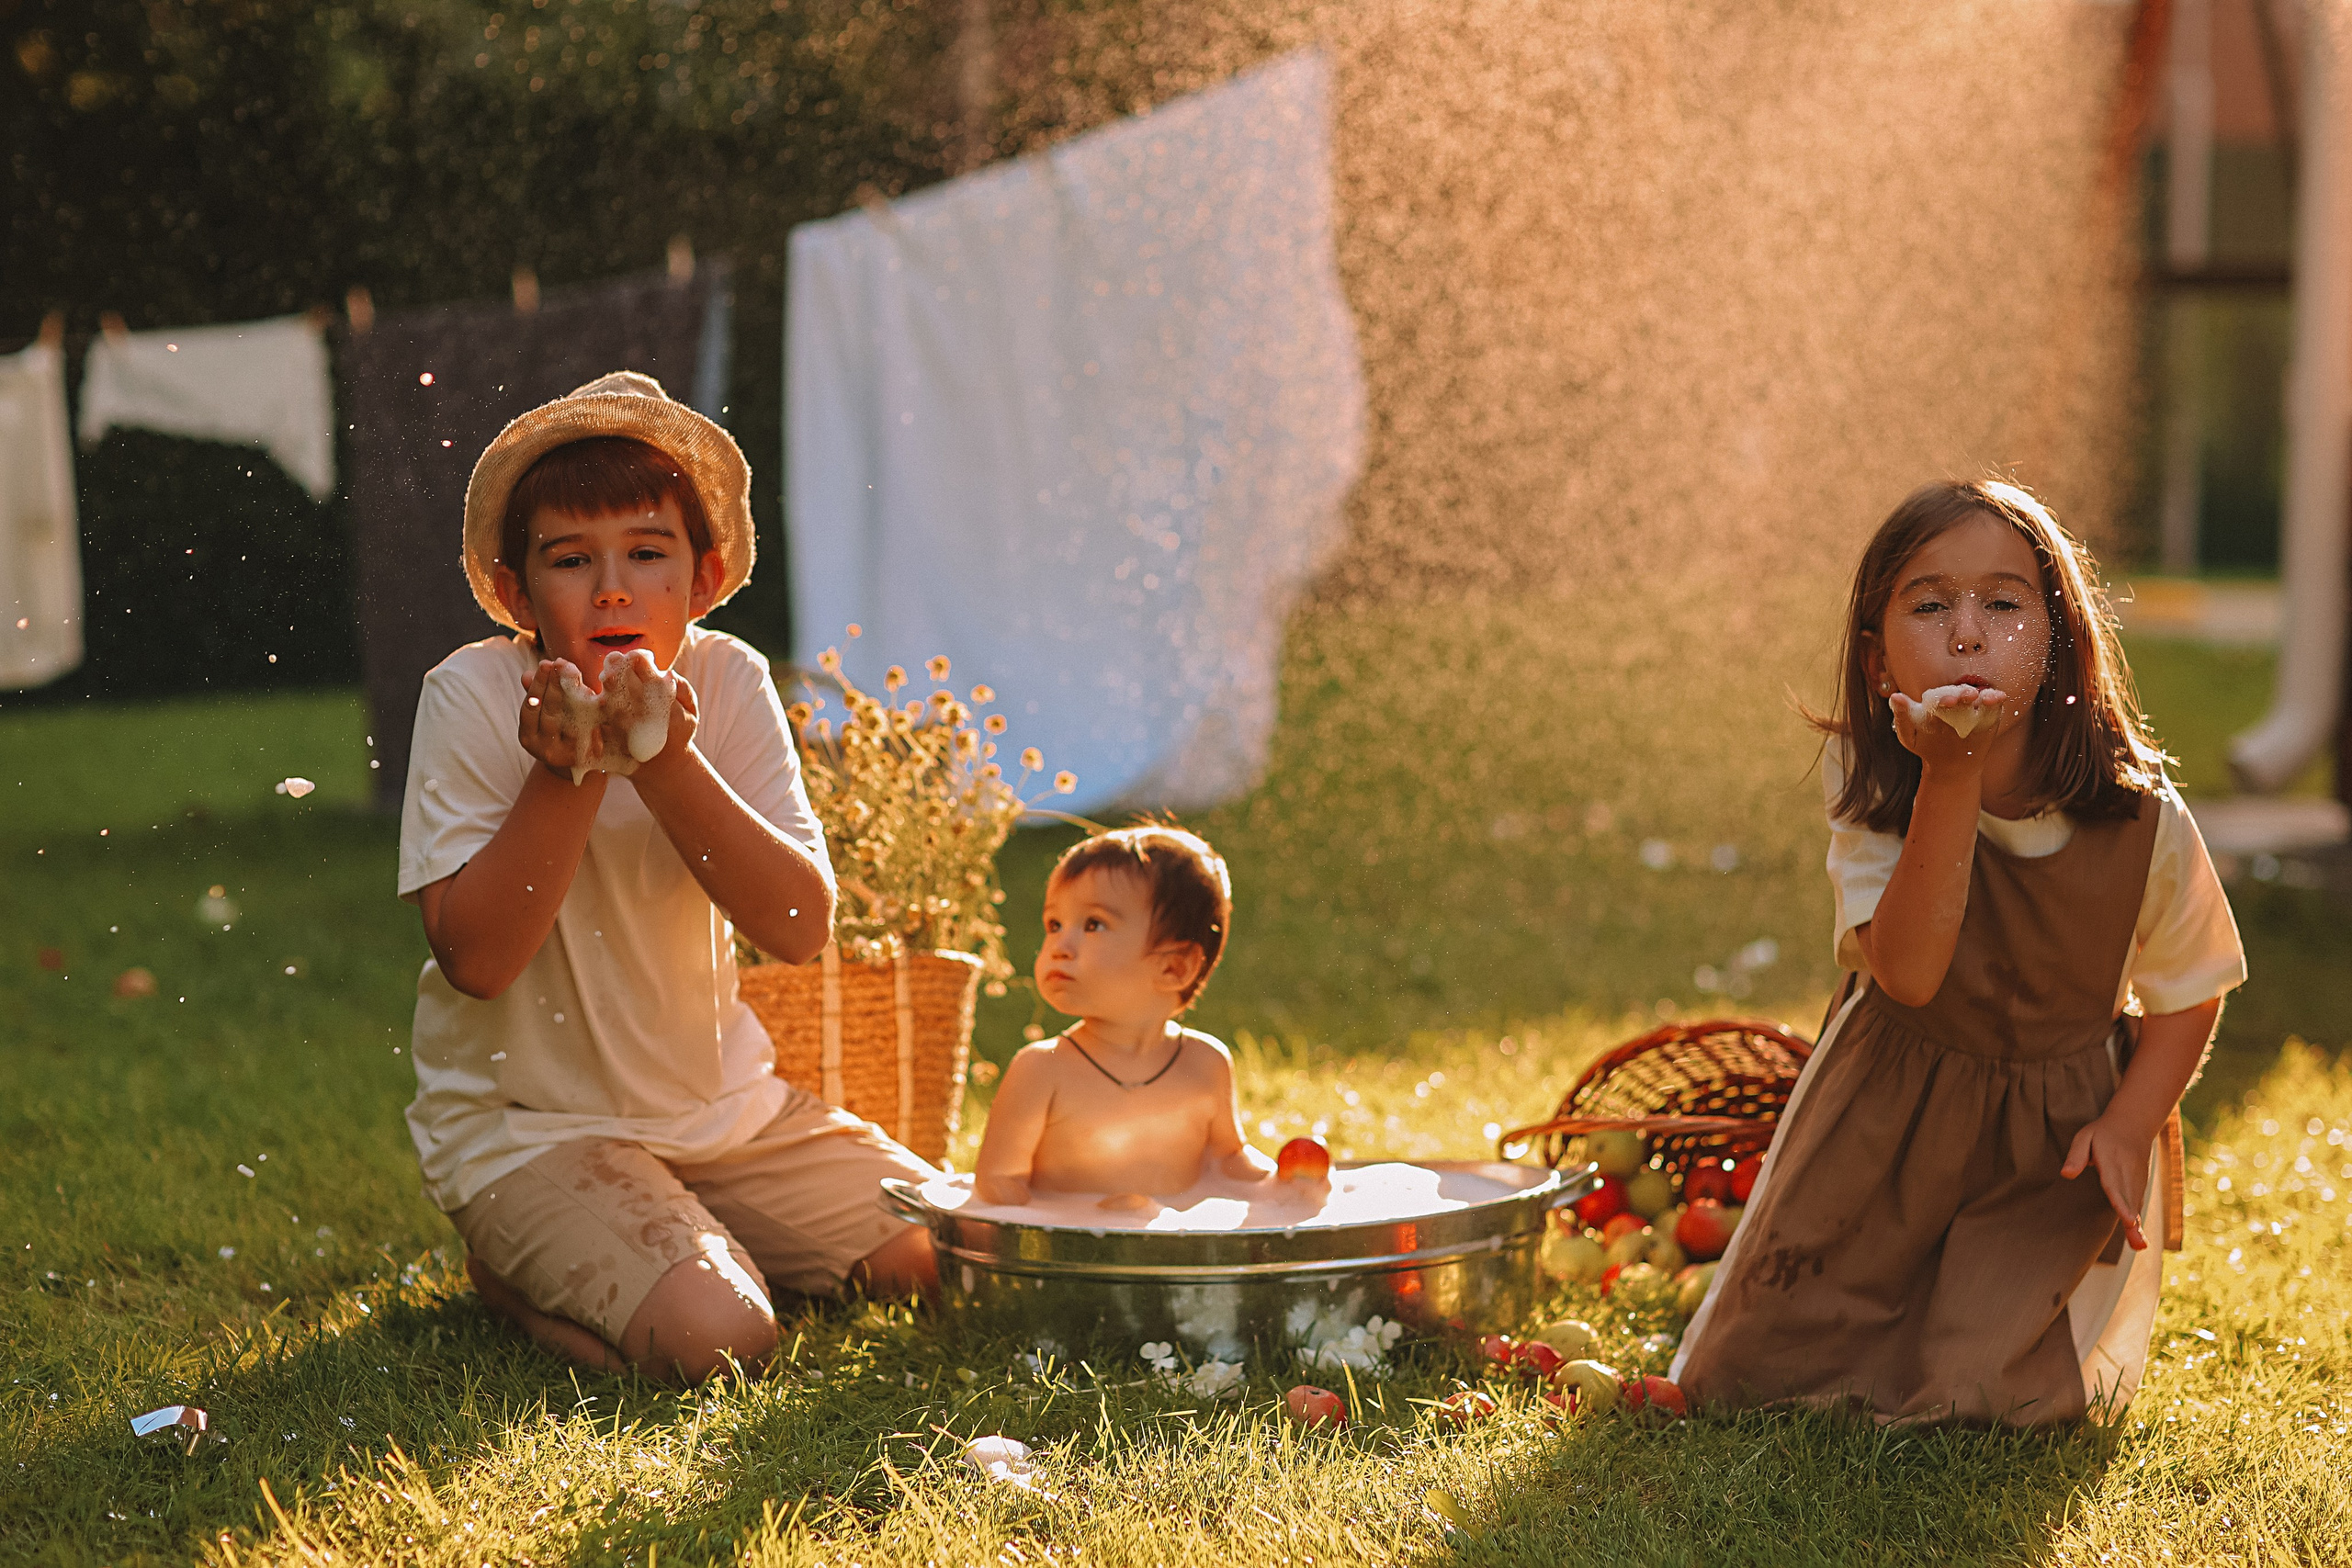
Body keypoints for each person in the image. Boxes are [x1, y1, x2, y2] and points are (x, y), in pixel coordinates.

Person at [399, 371, 936, 1385]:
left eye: (647, 554)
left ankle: (691, 1232)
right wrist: (567, 768)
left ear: (702, 579)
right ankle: (515, 1278)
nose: (613, 589)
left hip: (727, 1110)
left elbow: (796, 925)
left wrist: (665, 760)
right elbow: (476, 960)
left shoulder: (727, 682)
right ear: (516, 592)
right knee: (722, 1342)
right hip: (530, 1129)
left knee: (949, 1255)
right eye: (571, 561)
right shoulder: (471, 698)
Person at [1672, 478, 2245, 1426]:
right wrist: (1952, 774)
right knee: (1755, 1374)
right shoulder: (1872, 788)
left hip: (2049, 1148)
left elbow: (2189, 991)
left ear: (2059, 640)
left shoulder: (2142, 822)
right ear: (1874, 664)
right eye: (1929, 604)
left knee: (1982, 1396)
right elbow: (1909, 971)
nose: (1967, 632)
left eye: (2003, 603)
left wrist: (2128, 1124)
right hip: (1884, 1122)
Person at [972, 826, 1277, 1207]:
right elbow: (998, 1185)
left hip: (1177, 1251)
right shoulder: (1041, 1071)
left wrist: (1285, 1183)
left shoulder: (1205, 1065)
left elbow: (1229, 1159)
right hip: (1074, 1258)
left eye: (1093, 925)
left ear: (1174, 968)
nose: (1060, 947)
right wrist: (1082, 1228)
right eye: (1054, 925)